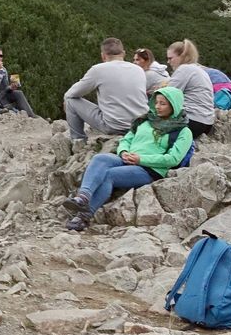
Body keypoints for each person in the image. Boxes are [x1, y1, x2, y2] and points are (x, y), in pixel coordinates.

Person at [60, 87, 193, 231]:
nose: (157, 107)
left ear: (174, 106)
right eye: (157, 102)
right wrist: (123, 151)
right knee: (100, 158)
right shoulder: (145, 120)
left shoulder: (183, 131)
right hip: (128, 159)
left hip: (149, 169)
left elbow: (173, 159)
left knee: (109, 175)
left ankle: (83, 217)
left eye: (163, 104)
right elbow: (127, 139)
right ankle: (83, 197)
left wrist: (141, 159)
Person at [63, 38, 149, 142]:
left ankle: (78, 140)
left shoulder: (98, 70)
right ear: (124, 53)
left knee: (70, 101)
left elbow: (72, 93)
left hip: (115, 127)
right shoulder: (138, 70)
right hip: (140, 125)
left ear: (103, 55)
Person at [166, 39, 217, 139]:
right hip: (206, 122)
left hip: (191, 121)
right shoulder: (200, 70)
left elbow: (167, 95)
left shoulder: (184, 69)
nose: (168, 62)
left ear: (181, 56)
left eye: (170, 58)